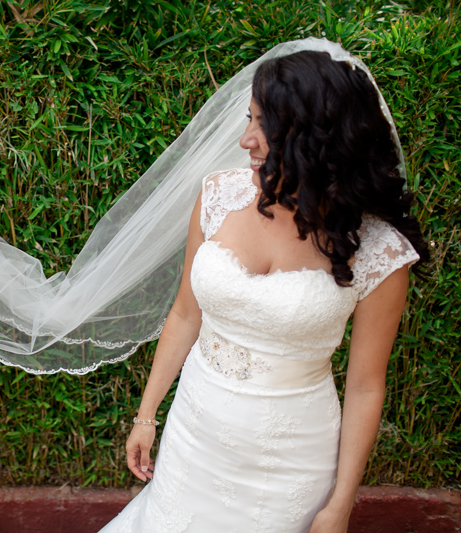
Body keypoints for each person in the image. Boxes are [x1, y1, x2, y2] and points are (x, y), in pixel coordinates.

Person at [100, 49, 428, 532]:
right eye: (248, 119)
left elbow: (364, 387)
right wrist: (147, 414)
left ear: (316, 139)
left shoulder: (378, 251)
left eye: (263, 127)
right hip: (194, 434)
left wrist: (339, 506)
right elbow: (186, 315)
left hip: (289, 462)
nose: (245, 140)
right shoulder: (218, 196)